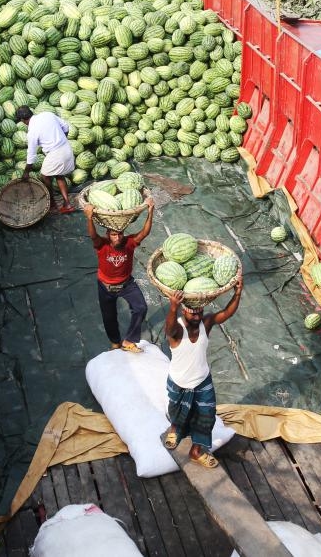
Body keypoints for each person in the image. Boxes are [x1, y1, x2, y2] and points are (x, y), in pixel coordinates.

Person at [161, 278, 244, 469]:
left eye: (200, 312)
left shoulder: (205, 324)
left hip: (202, 381)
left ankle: (196, 451)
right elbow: (169, 328)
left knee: (206, 415)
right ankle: (175, 429)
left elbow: (226, 313)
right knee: (177, 410)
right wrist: (173, 307)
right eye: (193, 313)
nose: (197, 317)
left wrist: (237, 293)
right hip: (179, 382)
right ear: (184, 311)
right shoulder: (177, 331)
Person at [84, 198, 155, 352]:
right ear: (108, 234)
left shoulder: (129, 243)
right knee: (109, 317)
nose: (118, 238)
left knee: (141, 308)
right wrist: (89, 217)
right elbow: (93, 235)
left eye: (120, 234)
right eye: (114, 235)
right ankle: (115, 342)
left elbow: (144, 232)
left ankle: (128, 340)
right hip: (105, 286)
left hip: (126, 284)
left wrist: (150, 211)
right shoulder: (101, 245)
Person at [15, 105, 76, 214]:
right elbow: (66, 126)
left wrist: (26, 172)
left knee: (45, 175)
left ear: (23, 120)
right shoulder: (47, 114)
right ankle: (67, 204)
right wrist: (61, 140)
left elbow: (31, 155)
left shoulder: (32, 132)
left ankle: (52, 204)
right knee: (59, 175)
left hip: (56, 153)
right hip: (67, 148)